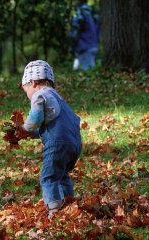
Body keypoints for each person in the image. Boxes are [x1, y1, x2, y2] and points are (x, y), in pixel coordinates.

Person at [15, 60, 82, 218]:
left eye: (26, 91)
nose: (28, 96)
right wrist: (30, 134)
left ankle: (54, 209)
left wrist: (24, 128)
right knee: (61, 175)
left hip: (57, 144)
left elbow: (36, 118)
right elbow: (51, 126)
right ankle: (68, 203)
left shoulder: (40, 95)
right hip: (74, 144)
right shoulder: (57, 97)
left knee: (49, 177)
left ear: (33, 82)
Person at [69, 0, 99, 71]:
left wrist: (72, 46)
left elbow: (75, 32)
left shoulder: (80, 13)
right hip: (92, 46)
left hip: (84, 49)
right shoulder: (91, 11)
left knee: (84, 74)